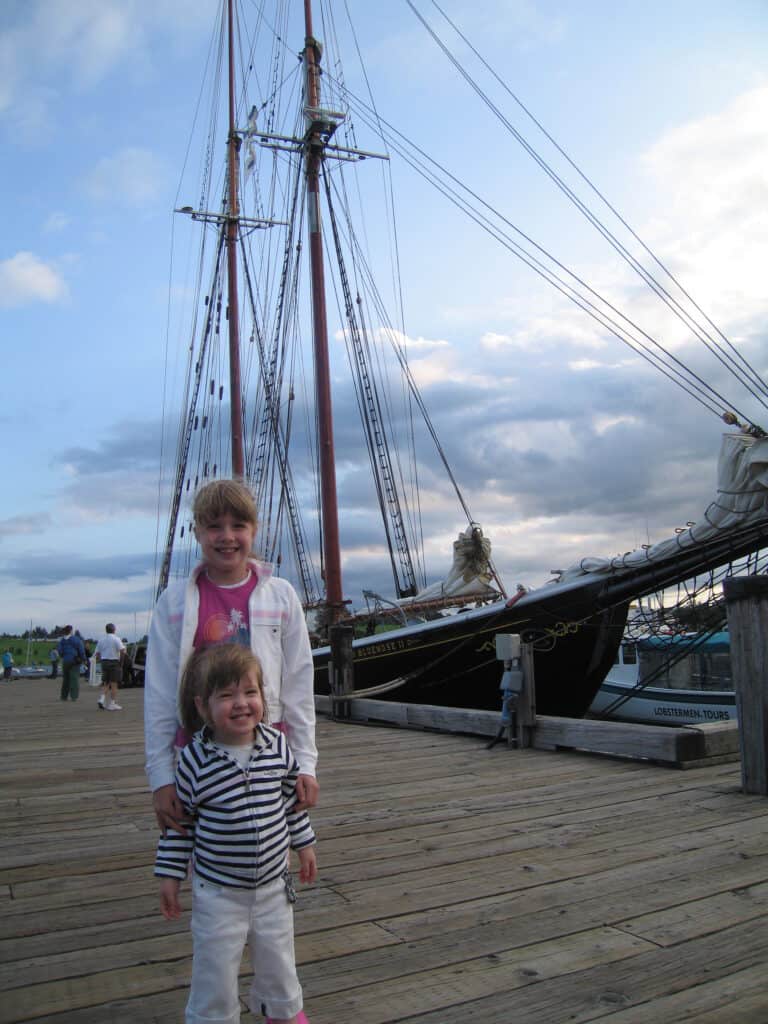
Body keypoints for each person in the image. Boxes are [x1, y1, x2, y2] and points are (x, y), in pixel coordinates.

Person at [145, 479, 319, 836]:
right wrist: (161, 777)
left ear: (254, 530)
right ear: (197, 533)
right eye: (214, 527)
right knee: (200, 846)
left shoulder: (282, 597)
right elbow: (160, 692)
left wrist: (306, 764)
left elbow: (298, 684)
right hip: (196, 753)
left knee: (271, 841)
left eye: (238, 525)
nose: (227, 536)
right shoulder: (174, 603)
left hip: (269, 752)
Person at [155, 644, 317, 1024]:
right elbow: (181, 826)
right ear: (202, 707)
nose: (241, 703)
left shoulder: (277, 746)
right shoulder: (195, 760)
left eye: (250, 692)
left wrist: (305, 845)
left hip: (274, 888)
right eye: (226, 696)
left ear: (263, 697)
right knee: (215, 969)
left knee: (279, 959)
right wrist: (169, 874)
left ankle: (283, 1012)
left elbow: (292, 804)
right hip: (218, 894)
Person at [94, 623, 126, 711]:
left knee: (106, 682)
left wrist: (101, 660)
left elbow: (97, 654)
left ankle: (102, 699)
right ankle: (112, 703)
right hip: (114, 662)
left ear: (106, 630)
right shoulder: (116, 639)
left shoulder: (101, 640)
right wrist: (121, 663)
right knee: (114, 684)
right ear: (114, 630)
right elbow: (122, 651)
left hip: (104, 662)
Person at [57, 626, 86, 702]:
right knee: (74, 679)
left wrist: (63, 656)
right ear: (71, 631)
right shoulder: (76, 639)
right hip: (74, 661)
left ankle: (64, 696)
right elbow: (81, 649)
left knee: (66, 679)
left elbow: (60, 651)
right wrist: (83, 658)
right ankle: (74, 696)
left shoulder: (62, 640)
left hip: (65, 661)